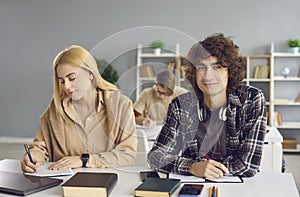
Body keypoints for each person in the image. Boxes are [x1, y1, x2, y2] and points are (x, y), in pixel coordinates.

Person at [147, 34, 267, 178]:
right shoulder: (180, 105)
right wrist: (192, 167)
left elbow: (247, 166)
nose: (208, 76)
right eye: (201, 68)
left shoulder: (251, 100)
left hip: (240, 187)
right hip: (193, 185)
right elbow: (155, 157)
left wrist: (206, 168)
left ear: (230, 71)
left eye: (217, 67)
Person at [21, 45, 137, 173]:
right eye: (62, 81)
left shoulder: (121, 105)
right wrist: (32, 157)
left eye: (72, 78)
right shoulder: (56, 108)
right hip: (64, 184)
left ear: (90, 74)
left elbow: (127, 155)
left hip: (107, 184)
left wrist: (85, 160)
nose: (67, 86)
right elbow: (40, 147)